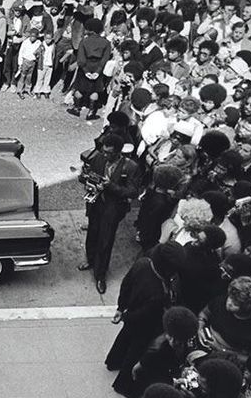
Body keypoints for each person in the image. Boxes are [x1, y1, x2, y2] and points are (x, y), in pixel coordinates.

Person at [105, 243, 185, 384]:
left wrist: (121, 308)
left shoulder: (142, 263)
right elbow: (144, 314)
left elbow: (126, 285)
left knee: (124, 338)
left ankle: (113, 361)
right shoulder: (159, 293)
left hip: (131, 313)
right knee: (135, 351)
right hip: (146, 324)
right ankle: (123, 382)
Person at [78, 134, 141, 293]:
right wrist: (87, 180)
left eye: (109, 153)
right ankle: (91, 260)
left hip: (113, 208)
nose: (105, 155)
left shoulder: (130, 167)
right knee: (92, 234)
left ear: (118, 152)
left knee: (105, 240)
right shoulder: (98, 158)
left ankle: (100, 275)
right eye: (104, 151)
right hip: (96, 204)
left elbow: (133, 192)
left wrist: (110, 186)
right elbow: (89, 175)